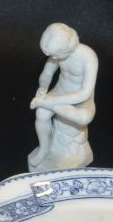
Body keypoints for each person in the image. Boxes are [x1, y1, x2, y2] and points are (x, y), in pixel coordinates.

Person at [28, 23, 98, 172]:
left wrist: (52, 102)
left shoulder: (88, 57)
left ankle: (50, 105)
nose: (53, 58)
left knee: (84, 118)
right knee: (41, 113)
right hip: (60, 91)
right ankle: (44, 150)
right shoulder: (57, 54)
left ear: (68, 47)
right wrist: (42, 89)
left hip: (81, 100)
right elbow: (47, 74)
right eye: (51, 55)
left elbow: (85, 93)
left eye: (56, 55)